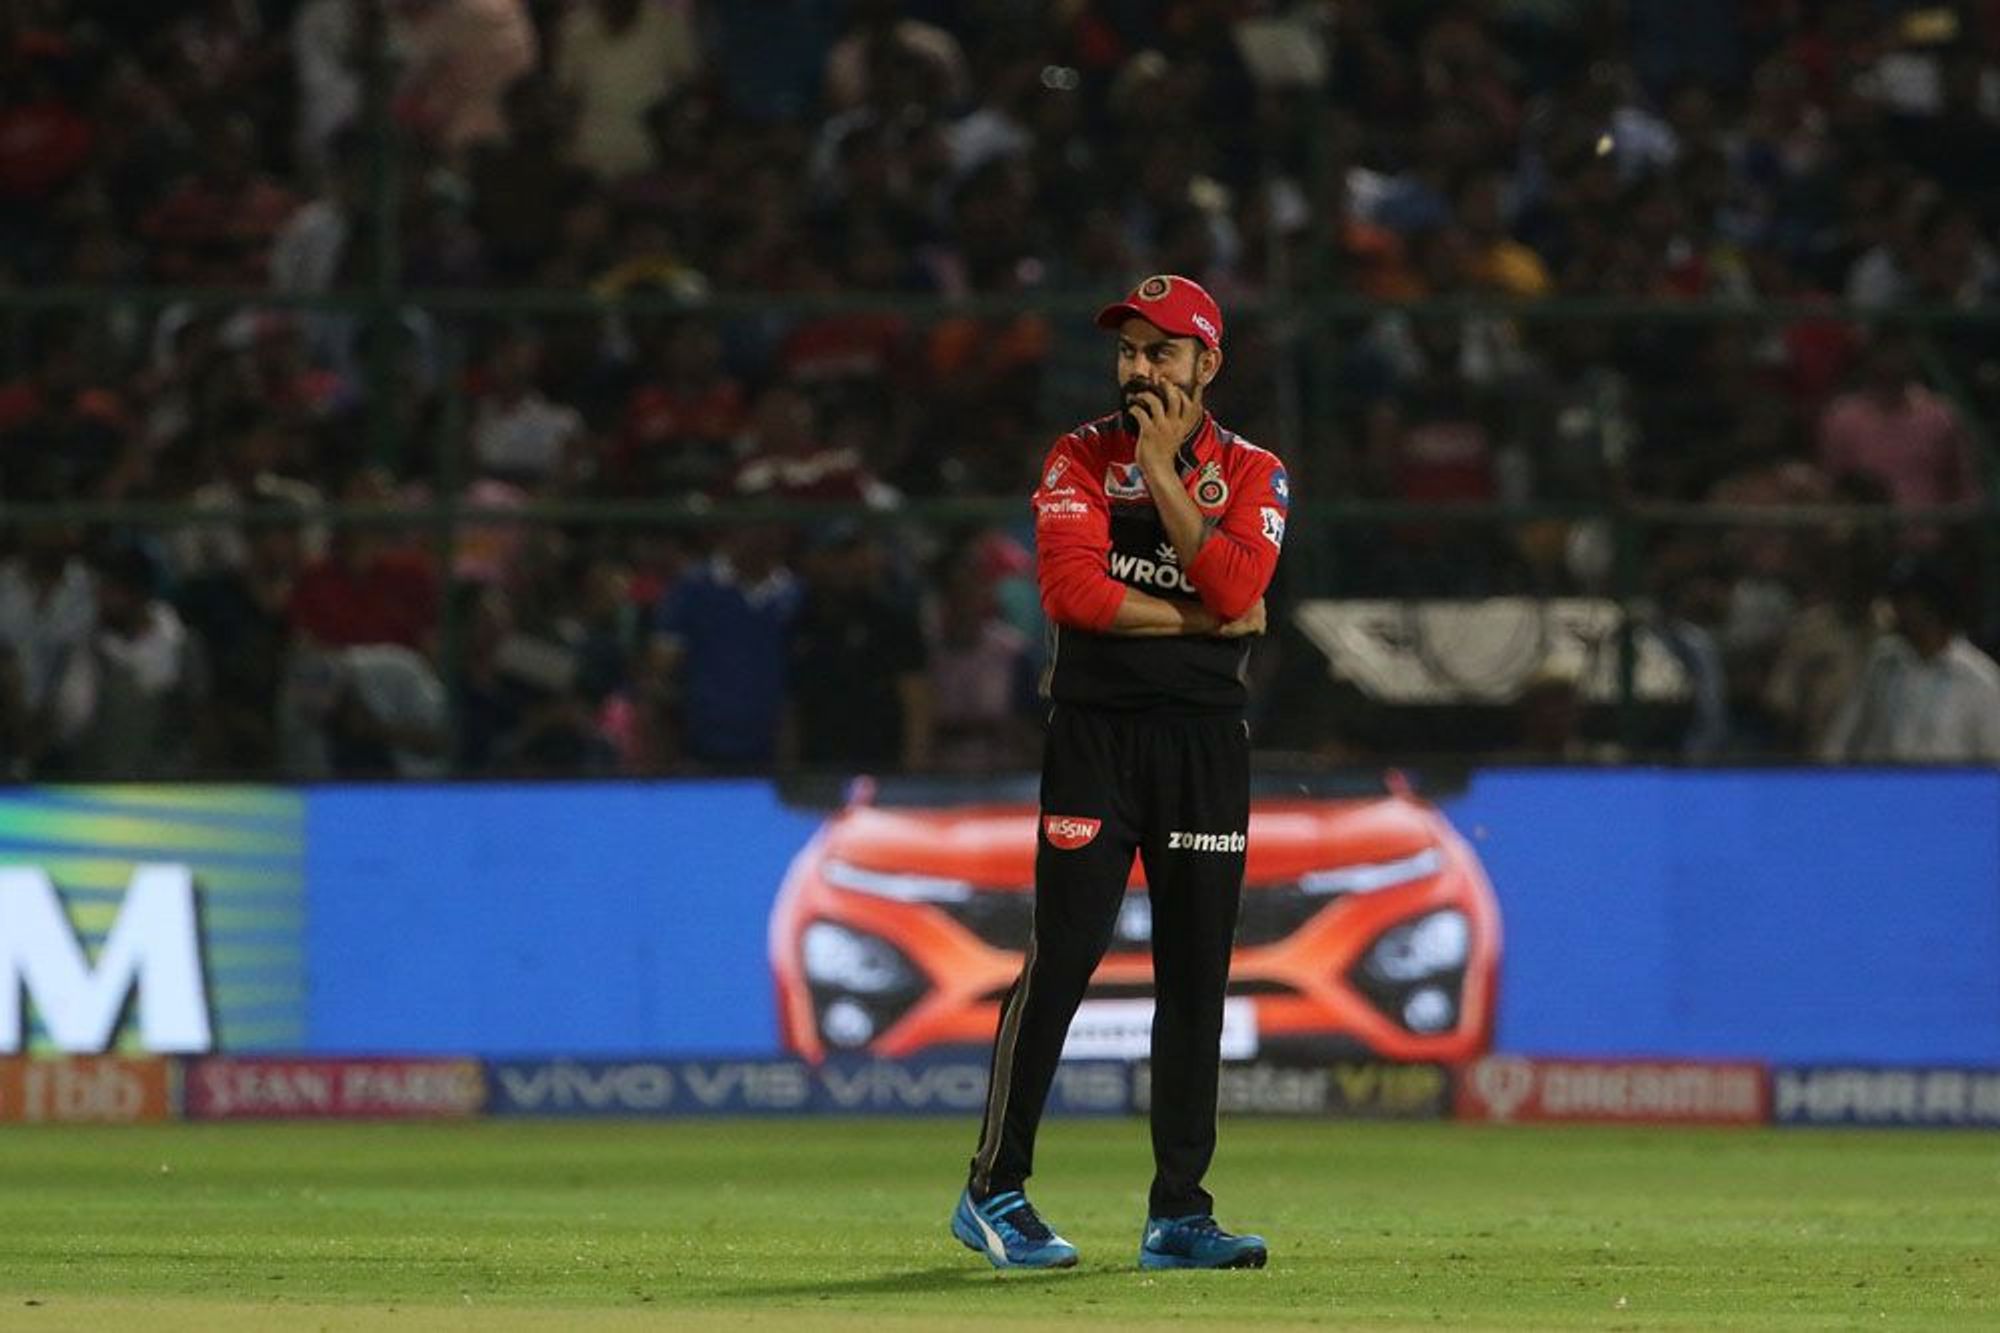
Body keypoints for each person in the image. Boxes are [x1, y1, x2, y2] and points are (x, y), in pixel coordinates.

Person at [953, 275, 1285, 1271]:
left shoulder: (1255, 470)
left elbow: (1239, 581)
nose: (1139, 369)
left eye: (1161, 352)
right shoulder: (1076, 456)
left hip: (1205, 747)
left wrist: (1159, 474)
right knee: (1063, 956)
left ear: (1206, 364)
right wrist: (1205, 620)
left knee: (1195, 976)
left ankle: (1178, 1214)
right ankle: (992, 1189)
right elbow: (1073, 594)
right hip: (1095, 738)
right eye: (1128, 351)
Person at [1820, 557, 2000, 764]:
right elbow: (1841, 737)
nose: (1894, 610)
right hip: (1880, 781)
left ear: (1931, 608)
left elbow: (1994, 760)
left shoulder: (1979, 680)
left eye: (1904, 602)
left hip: (1942, 783)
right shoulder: (1883, 662)